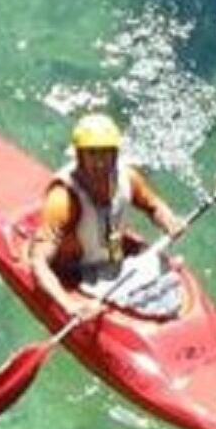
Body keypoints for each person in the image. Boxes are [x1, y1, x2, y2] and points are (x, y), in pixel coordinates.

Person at [26, 113, 188, 322]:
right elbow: (38, 261)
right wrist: (68, 305)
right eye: (92, 154)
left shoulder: (128, 177)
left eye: (106, 153)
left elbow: (153, 206)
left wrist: (169, 221)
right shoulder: (62, 199)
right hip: (76, 271)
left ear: (115, 154)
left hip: (113, 256)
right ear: (79, 155)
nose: (100, 162)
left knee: (161, 273)